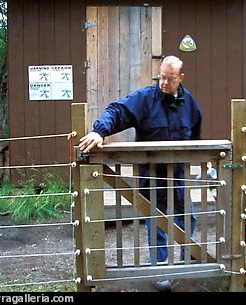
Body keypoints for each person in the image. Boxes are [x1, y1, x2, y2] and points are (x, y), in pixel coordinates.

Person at [78, 55, 202, 292]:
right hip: (152, 175)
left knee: (187, 216)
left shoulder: (190, 104)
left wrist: (200, 159)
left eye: (170, 79)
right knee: (156, 222)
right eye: (161, 78)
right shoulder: (145, 98)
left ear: (181, 78)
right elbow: (117, 110)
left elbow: (196, 134)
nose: (164, 83)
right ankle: (159, 268)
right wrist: (100, 132)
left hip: (178, 174)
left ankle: (191, 257)